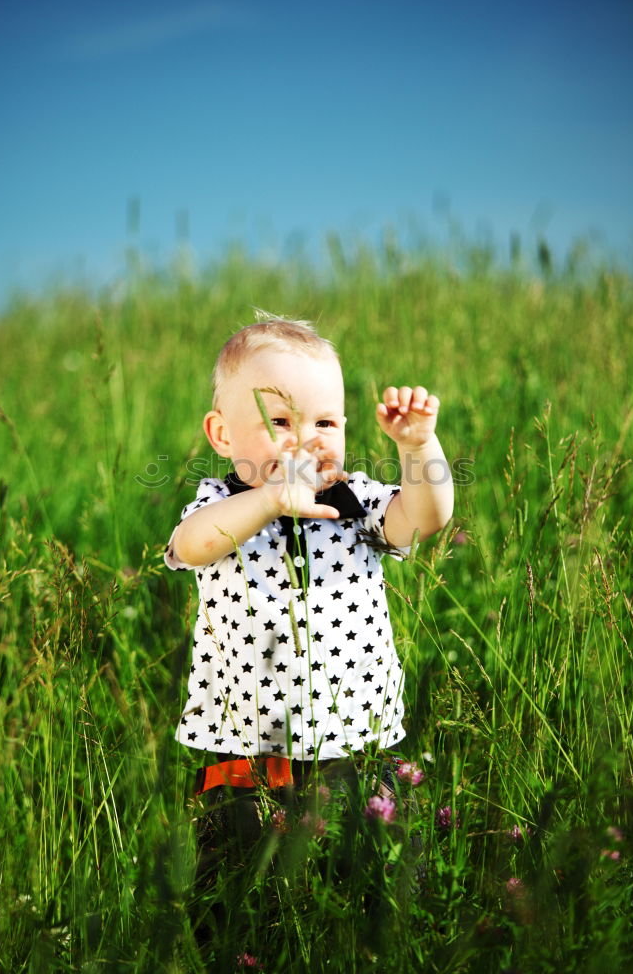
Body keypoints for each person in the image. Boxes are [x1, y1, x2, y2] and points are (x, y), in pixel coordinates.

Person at [164, 314, 453, 951]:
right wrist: (270, 500)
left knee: (366, 894)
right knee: (237, 901)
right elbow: (194, 543)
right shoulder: (220, 505)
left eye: (325, 423)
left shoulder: (356, 503)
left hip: (356, 746)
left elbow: (425, 517)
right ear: (221, 433)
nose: (307, 440)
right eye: (281, 423)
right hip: (247, 749)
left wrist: (418, 448)